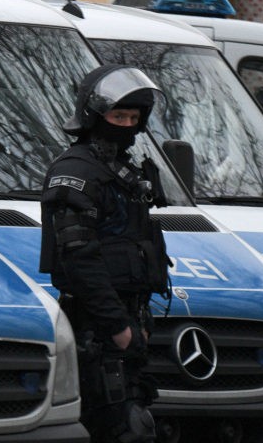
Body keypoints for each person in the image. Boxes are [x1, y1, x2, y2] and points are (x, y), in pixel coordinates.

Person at [39, 64, 171, 443]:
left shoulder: (119, 169)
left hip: (128, 316)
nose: (126, 124)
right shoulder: (77, 171)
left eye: (133, 117)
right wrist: (118, 327)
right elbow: (79, 258)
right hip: (96, 324)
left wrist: (135, 322)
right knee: (121, 427)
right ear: (95, 116)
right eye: (118, 116)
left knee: (136, 418)